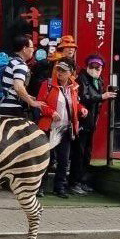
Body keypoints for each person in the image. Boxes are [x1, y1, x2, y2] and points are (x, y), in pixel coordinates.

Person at [36, 58, 88, 198]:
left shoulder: (73, 87)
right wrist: (51, 112)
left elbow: (75, 104)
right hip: (49, 127)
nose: (59, 73)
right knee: (46, 158)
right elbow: (40, 103)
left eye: (63, 70)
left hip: (65, 128)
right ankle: (39, 187)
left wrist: (82, 109)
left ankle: (59, 187)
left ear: (71, 73)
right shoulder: (47, 84)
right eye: (58, 69)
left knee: (64, 160)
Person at [70, 55, 117, 194]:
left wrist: (103, 97)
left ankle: (81, 180)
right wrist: (102, 96)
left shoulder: (99, 81)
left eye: (98, 67)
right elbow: (84, 97)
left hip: (91, 122)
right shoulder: (82, 79)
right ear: (87, 66)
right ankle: (74, 182)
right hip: (82, 120)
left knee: (87, 153)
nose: (95, 69)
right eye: (92, 66)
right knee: (79, 152)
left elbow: (96, 101)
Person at [0, 35, 44, 117]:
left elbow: (7, 84)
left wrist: (27, 96)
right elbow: (18, 87)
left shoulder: (9, 61)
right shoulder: (20, 64)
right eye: (32, 47)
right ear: (24, 49)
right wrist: (32, 103)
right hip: (8, 108)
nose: (33, 50)